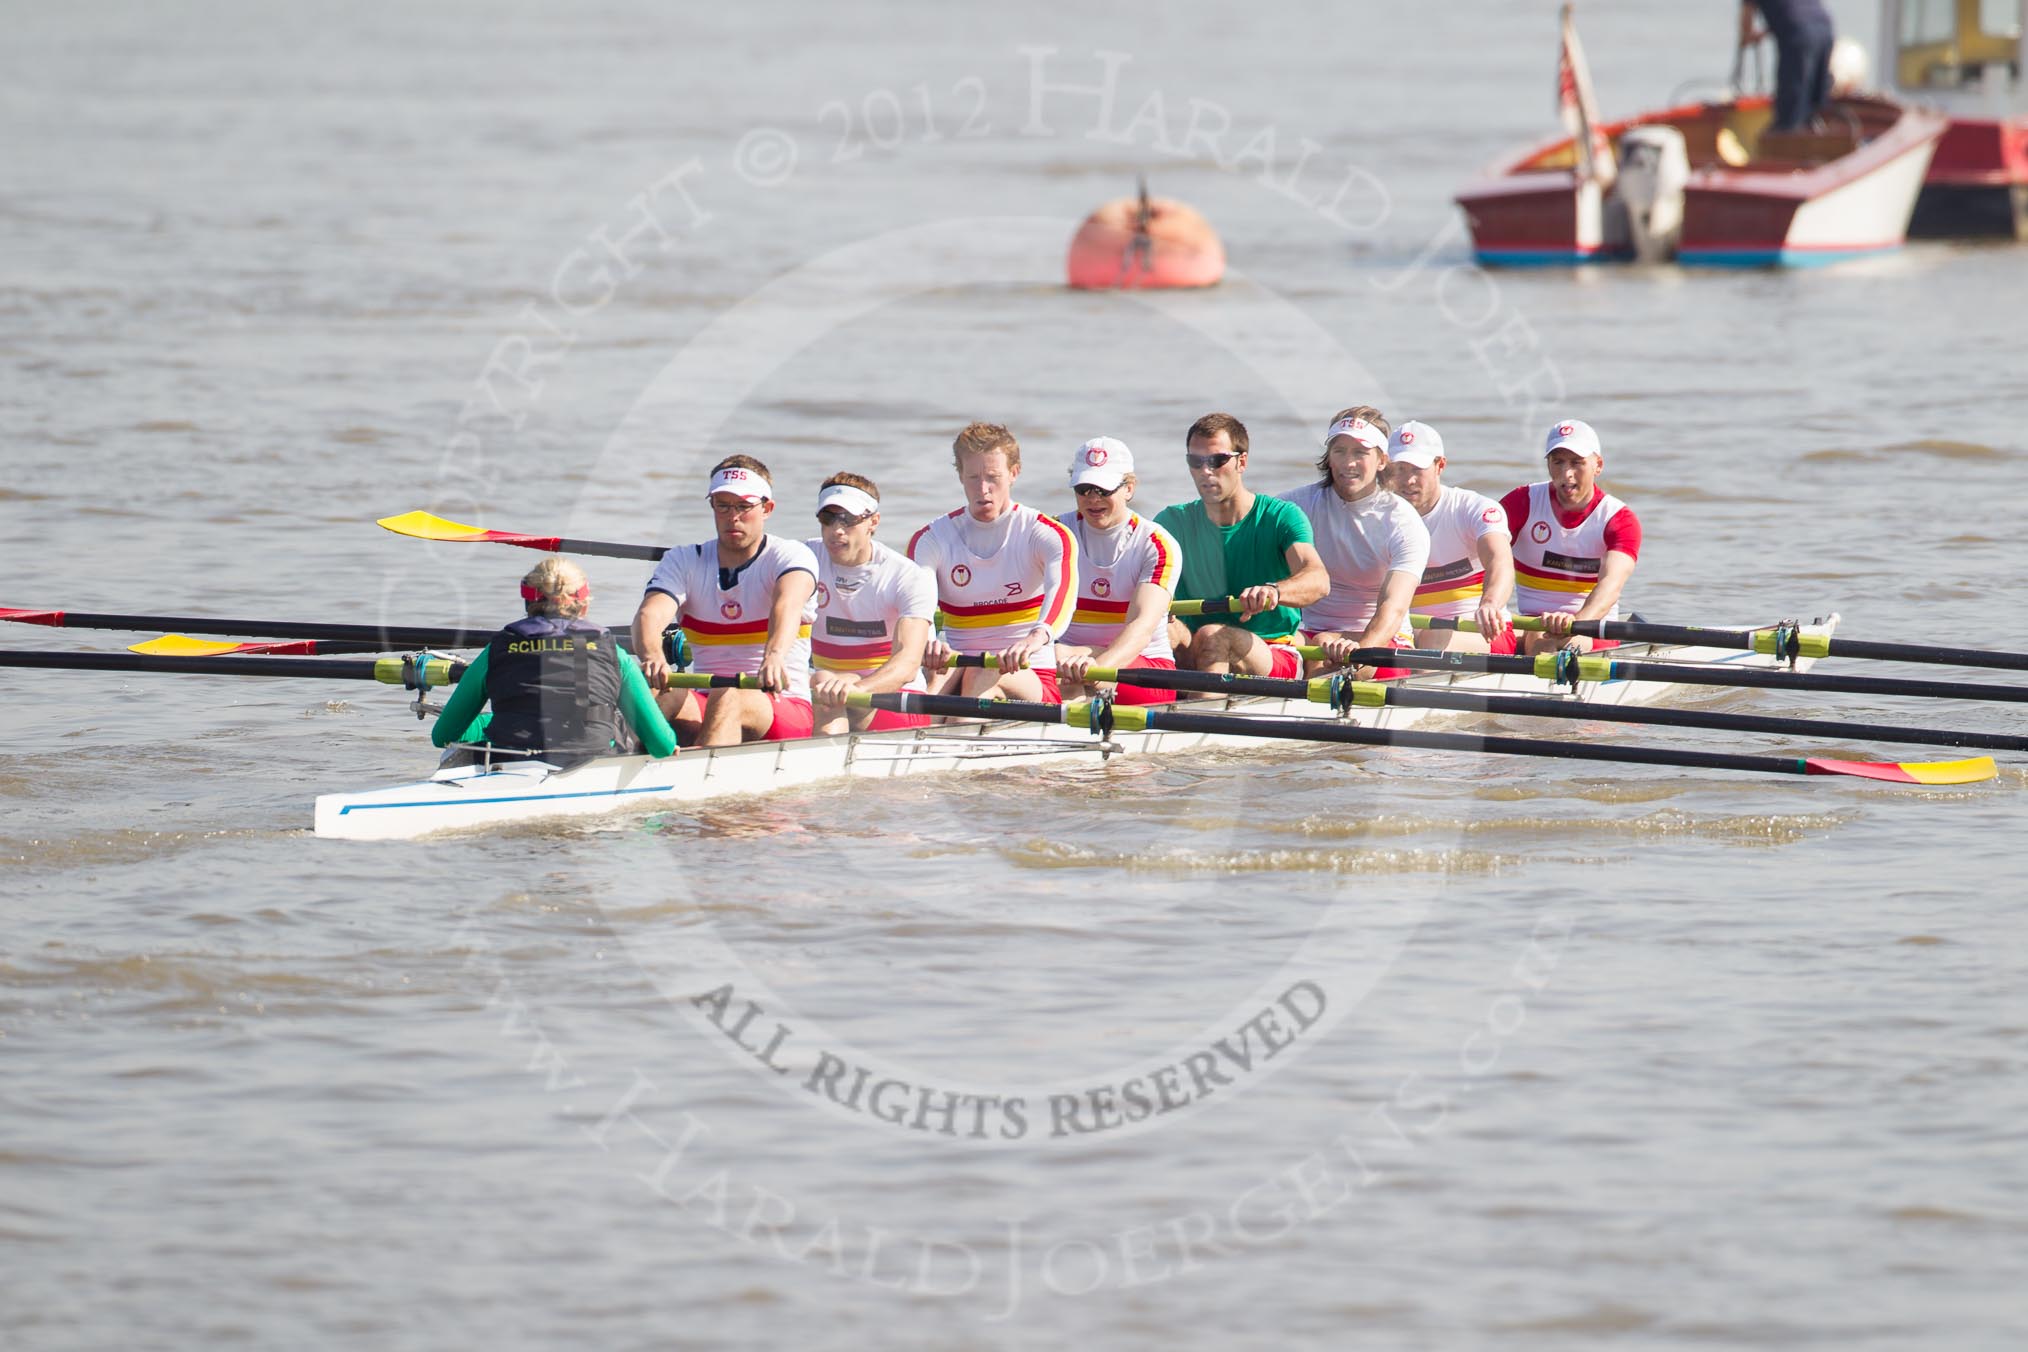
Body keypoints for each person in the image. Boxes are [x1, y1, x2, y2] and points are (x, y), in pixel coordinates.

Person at [632, 455, 819, 746]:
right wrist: (651, 655)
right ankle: (623, 770)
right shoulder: (683, 560)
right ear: (712, 506)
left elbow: (787, 606)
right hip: (708, 699)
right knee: (651, 693)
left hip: (783, 704)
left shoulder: (791, 556)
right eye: (723, 506)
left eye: (744, 507)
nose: (733, 517)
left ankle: (699, 782)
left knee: (727, 694)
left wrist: (774, 656)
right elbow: (650, 615)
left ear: (767, 508)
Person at [432, 556, 677, 761]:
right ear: (583, 606)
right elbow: (662, 747)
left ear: (529, 603)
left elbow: (442, 736)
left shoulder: (496, 649)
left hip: (511, 761)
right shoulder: (615, 654)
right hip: (592, 766)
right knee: (626, 724)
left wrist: (489, 723)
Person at [908, 422, 1078, 702]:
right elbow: (917, 607)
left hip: (1030, 672)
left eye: (993, 477)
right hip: (958, 666)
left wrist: (1036, 637)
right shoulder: (930, 539)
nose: (983, 489)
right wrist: (928, 641)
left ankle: (951, 735)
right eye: (973, 477)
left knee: (980, 672)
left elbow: (1063, 595)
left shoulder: (1046, 534)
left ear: (1014, 473)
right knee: (935, 682)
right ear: (960, 475)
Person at [1154, 412, 1328, 680]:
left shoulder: (1280, 516)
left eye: (1217, 460)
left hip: (1272, 650)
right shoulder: (1172, 521)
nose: (1206, 471)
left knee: (1214, 636)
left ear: (1241, 461)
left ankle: (1201, 716)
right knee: (1155, 631)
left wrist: (1274, 591)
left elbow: (1318, 580)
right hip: (1195, 646)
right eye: (1196, 461)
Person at [1278, 407, 1430, 680]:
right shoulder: (1295, 506)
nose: (1349, 463)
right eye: (1340, 451)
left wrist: (1360, 651)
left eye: (1360, 453)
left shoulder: (1402, 520)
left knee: (1323, 656)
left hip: (1381, 640)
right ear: (1329, 457)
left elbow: (1392, 608)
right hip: (1311, 633)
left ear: (1382, 460)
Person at [1053, 437, 1184, 705]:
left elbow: (1141, 628)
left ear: (1129, 488)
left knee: (1056, 665)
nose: (1092, 499)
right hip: (1065, 662)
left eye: (1103, 489)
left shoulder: (1157, 544)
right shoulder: (1055, 534)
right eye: (1084, 488)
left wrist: (1093, 670)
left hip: (1146, 673)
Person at [805, 472, 938, 735]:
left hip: (895, 700)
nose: (837, 530)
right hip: (825, 690)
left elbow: (908, 663)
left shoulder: (906, 576)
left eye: (849, 520)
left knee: (824, 682)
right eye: (827, 519)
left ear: (873, 522)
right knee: (823, 681)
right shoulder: (803, 559)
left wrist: (855, 688)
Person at [1500, 420, 1642, 655]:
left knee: (1545, 642)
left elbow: (1610, 586)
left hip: (1591, 629)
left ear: (1598, 465)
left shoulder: (1618, 519)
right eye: (1558, 462)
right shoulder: (1521, 503)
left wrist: (1575, 624)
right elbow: (1484, 557)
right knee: (1537, 636)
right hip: (1531, 624)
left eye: (1577, 463)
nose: (1567, 474)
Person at [1379, 420, 1517, 654]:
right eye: (1399, 469)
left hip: (1482, 633)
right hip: (1407, 635)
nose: (1408, 481)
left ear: (1440, 465)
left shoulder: (1473, 509)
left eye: (1416, 469)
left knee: (1432, 640)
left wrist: (1490, 603)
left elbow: (1500, 561)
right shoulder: (1377, 517)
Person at [1740, 0, 1835, 132]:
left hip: (1800, 36)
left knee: (1788, 116)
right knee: (1813, 109)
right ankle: (1815, 137)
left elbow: (1746, 25)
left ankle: (1784, 142)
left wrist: (1747, 37)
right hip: (1824, 29)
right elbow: (1796, 12)